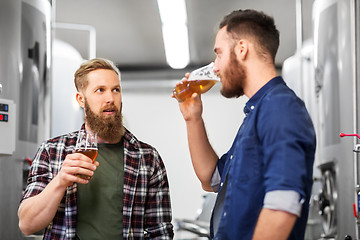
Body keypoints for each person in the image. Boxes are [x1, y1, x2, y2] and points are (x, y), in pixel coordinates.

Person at [173, 9, 316, 240]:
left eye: (219, 54)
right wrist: (193, 118)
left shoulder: (279, 107)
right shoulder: (257, 113)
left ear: (241, 49)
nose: (215, 68)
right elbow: (211, 179)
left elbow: (283, 205)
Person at [18, 58, 174, 239]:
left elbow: (160, 231)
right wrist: (60, 181)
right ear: (81, 99)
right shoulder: (52, 151)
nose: (110, 98)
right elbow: (27, 225)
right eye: (100, 90)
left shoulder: (148, 158)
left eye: (116, 90)